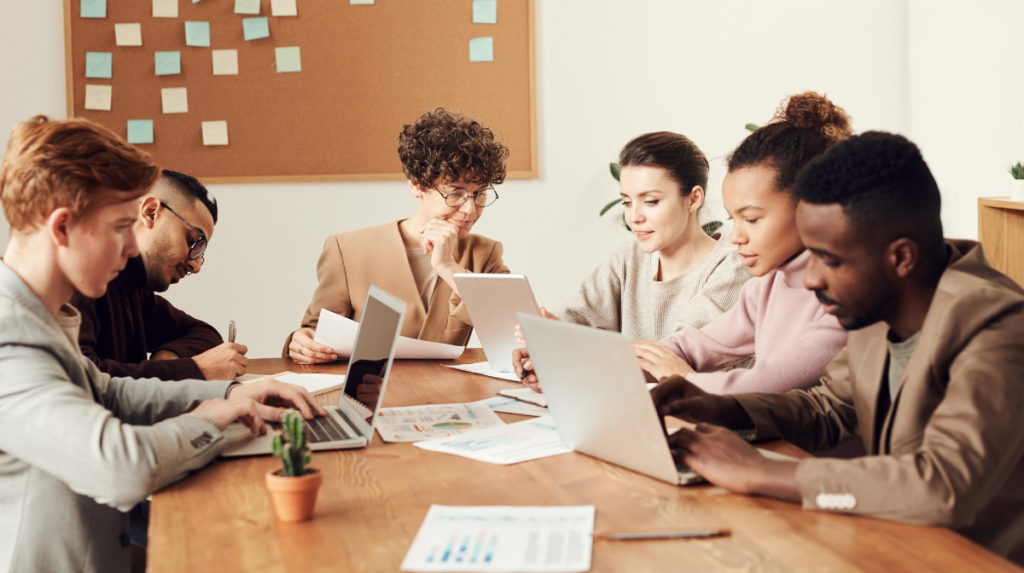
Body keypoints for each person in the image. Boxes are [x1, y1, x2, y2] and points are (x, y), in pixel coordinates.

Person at [651, 131, 1024, 565]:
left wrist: (764, 471)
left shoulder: (997, 328)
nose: (810, 279)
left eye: (830, 260)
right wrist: (726, 408)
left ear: (900, 257)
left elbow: (943, 487)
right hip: (891, 543)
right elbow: (829, 407)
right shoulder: (877, 306)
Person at [0, 116, 326, 573]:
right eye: (119, 227)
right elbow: (119, 468)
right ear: (61, 228)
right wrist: (209, 418)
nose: (132, 248)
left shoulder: (47, 316)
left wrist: (230, 393)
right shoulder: (9, 340)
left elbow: (109, 391)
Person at [625, 92, 851, 394]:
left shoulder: (849, 296)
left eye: (753, 219)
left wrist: (684, 379)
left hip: (793, 443)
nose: (735, 237)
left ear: (812, 206)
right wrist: (601, 366)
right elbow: (694, 346)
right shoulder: (768, 283)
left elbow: (766, 384)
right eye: (734, 220)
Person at [285, 108, 511, 364]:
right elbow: (312, 332)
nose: (470, 210)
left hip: (448, 394)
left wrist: (448, 267)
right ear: (416, 184)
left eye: (479, 194)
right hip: (371, 392)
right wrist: (303, 342)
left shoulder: (485, 253)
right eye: (455, 193)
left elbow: (512, 333)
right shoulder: (346, 250)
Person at [546, 132, 750, 341]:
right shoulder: (628, 258)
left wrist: (579, 344)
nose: (633, 218)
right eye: (627, 202)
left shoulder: (734, 268)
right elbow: (574, 316)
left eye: (651, 201)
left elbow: (682, 351)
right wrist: (545, 336)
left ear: (693, 199)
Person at [70, 170, 249, 381]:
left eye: (201, 251)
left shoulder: (135, 289)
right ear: (150, 212)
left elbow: (205, 333)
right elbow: (82, 379)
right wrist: (192, 368)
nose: (196, 265)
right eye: (193, 241)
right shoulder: (80, 277)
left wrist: (170, 356)